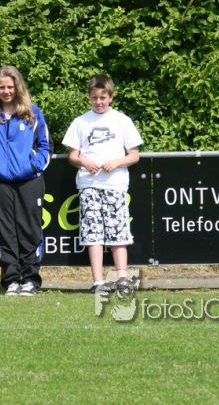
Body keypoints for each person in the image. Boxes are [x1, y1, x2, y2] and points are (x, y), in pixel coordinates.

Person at [61, 74, 143, 294]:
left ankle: (122, 278)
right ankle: (97, 281)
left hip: (115, 184)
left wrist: (116, 162)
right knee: (93, 232)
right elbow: (72, 156)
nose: (98, 102)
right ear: (90, 97)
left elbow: (134, 155)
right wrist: (84, 162)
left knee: (118, 231)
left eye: (103, 98)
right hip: (88, 184)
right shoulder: (80, 122)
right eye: (95, 98)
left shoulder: (122, 120)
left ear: (111, 97)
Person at [0, 65, 51, 296]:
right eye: (2, 87)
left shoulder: (32, 112)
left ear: (17, 87)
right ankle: (10, 280)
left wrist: (33, 166)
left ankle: (30, 279)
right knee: (5, 231)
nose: (6, 91)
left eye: (10, 87)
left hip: (29, 180)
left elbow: (45, 146)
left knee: (30, 229)